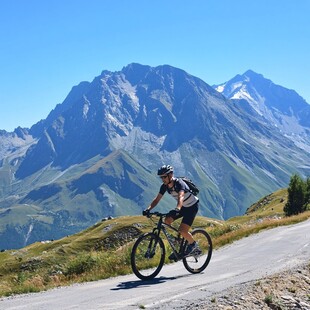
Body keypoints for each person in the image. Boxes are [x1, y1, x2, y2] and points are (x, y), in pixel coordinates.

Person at [143, 164, 201, 260]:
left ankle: (194, 245)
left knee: (183, 230)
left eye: (164, 177)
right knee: (167, 220)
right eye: (161, 177)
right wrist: (148, 209)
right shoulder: (164, 186)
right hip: (182, 207)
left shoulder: (179, 183)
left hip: (192, 207)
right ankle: (177, 242)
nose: (163, 179)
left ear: (171, 175)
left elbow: (181, 196)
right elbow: (157, 199)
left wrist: (178, 208)